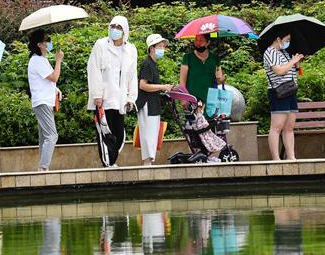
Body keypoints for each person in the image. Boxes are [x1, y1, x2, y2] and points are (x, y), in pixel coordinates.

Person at [86, 15, 138, 168]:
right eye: (112, 26)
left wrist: (131, 98)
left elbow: (132, 75)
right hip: (103, 98)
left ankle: (112, 161)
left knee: (119, 135)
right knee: (105, 134)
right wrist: (97, 95)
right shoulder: (101, 45)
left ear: (125, 30)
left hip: (120, 99)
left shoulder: (130, 49)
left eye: (119, 27)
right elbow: (93, 70)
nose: (115, 29)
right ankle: (108, 164)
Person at [263, 33, 304, 160]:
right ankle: (276, 158)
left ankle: (291, 157)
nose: (288, 42)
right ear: (278, 38)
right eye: (287, 39)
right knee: (276, 127)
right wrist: (292, 61)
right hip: (278, 92)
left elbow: (290, 70)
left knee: (289, 127)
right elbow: (279, 71)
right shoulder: (269, 52)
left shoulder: (284, 52)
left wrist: (296, 65)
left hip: (291, 91)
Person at [27, 29, 63, 171]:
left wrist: (55, 89)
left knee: (44, 138)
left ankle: (42, 168)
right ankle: (43, 168)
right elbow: (54, 77)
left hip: (44, 102)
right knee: (52, 136)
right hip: (42, 103)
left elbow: (47, 81)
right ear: (39, 44)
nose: (49, 42)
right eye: (47, 40)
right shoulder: (37, 60)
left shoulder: (42, 60)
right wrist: (59, 60)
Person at [136, 34, 173, 165]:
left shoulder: (152, 64)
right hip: (146, 104)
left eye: (163, 46)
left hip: (153, 104)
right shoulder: (147, 64)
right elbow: (143, 85)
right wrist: (162, 87)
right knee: (147, 134)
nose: (162, 49)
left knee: (152, 134)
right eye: (160, 46)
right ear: (151, 48)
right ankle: (147, 163)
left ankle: (150, 162)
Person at [179, 33, 224, 104]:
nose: (197, 43)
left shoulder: (215, 58)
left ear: (208, 42)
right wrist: (184, 98)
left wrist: (221, 80)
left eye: (201, 40)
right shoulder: (188, 57)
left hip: (210, 100)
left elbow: (218, 80)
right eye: (196, 40)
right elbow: (182, 81)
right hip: (191, 99)